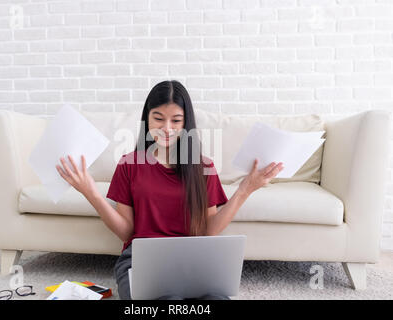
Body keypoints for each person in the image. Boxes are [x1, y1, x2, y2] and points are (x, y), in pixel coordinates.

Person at [55, 80, 284, 300]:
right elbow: (127, 233)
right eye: (158, 119)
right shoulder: (129, 164)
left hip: (192, 258)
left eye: (176, 121)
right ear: (147, 119)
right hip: (141, 260)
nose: (166, 128)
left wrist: (246, 189)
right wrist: (91, 193)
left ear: (186, 124)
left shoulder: (203, 167)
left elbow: (209, 230)